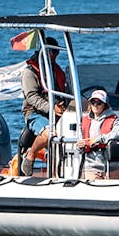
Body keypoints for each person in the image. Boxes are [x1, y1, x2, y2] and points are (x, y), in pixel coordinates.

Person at [19, 36, 70, 168]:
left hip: (59, 112)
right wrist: (51, 108)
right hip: (35, 113)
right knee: (50, 133)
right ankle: (31, 155)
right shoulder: (29, 72)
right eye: (52, 52)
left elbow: (66, 91)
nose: (54, 55)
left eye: (56, 52)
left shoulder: (58, 71)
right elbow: (31, 97)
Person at [78, 89, 119, 179]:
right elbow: (80, 142)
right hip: (91, 167)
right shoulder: (85, 120)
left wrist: (99, 139)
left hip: (112, 167)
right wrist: (79, 146)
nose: (95, 105)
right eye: (93, 102)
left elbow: (118, 134)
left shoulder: (114, 119)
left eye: (99, 103)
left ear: (105, 105)